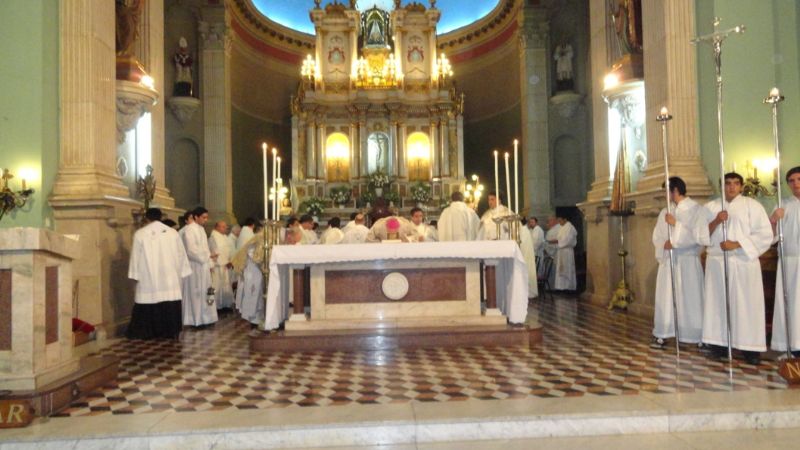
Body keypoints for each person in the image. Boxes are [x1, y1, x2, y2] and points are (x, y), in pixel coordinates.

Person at [702, 172, 772, 365]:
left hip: (743, 262)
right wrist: (716, 221)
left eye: (735, 184)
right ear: (721, 187)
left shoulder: (752, 206)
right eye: (727, 184)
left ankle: (750, 348)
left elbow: (765, 233)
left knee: (747, 304)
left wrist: (737, 243)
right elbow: (699, 234)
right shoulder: (710, 207)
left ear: (741, 186)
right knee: (718, 303)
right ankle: (719, 344)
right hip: (717, 263)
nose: (731, 187)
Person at [650, 177, 708, 348]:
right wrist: (663, 244)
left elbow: (699, 236)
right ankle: (664, 333)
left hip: (687, 261)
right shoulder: (665, 212)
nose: (665, 196)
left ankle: (696, 335)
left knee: (690, 298)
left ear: (675, 191)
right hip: (669, 261)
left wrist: (676, 226)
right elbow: (658, 236)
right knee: (667, 297)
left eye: (666, 192)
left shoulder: (697, 210)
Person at [127, 208, 191, 340]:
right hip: (169, 276)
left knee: (148, 299)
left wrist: (134, 273)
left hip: (148, 276)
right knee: (169, 301)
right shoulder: (172, 233)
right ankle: (170, 331)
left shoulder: (140, 233)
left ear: (147, 218)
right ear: (161, 217)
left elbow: (135, 256)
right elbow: (181, 254)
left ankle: (147, 332)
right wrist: (183, 271)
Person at [770, 166, 800, 357]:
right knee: (791, 306)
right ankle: (792, 346)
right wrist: (773, 220)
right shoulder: (782, 205)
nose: (796, 184)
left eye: (799, 179)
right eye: (791, 181)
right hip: (789, 263)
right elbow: (769, 235)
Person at [181, 207, 218, 328]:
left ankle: (206, 318)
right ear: (196, 217)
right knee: (196, 292)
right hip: (195, 267)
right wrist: (208, 256)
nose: (206, 220)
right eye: (204, 217)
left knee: (206, 292)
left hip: (204, 266)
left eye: (207, 217)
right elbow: (191, 250)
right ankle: (196, 320)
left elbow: (205, 248)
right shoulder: (189, 230)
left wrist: (210, 262)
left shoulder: (201, 229)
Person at [208, 220, 234, 312]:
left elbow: (228, 250)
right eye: (223, 226)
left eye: (225, 227)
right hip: (217, 266)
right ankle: (215, 307)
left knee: (225, 286)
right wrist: (224, 262)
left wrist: (230, 260)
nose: (225, 228)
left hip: (225, 265)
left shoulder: (224, 237)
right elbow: (215, 252)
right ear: (217, 227)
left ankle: (225, 305)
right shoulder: (213, 237)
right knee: (216, 286)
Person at [550, 215, 577, 291]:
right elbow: (559, 238)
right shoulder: (562, 228)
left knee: (567, 269)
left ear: (565, 219)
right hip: (561, 251)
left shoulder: (570, 227)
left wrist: (558, 242)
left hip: (567, 252)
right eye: (558, 221)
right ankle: (561, 287)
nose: (559, 222)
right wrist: (557, 241)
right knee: (561, 269)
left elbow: (568, 240)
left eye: (560, 220)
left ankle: (568, 287)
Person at [519, 217, 539, 298]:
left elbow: (522, 244)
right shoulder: (525, 230)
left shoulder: (523, 230)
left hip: (525, 256)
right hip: (527, 256)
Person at [544, 216, 561, 288]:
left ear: (554, 221)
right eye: (547, 221)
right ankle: (551, 287)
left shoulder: (559, 228)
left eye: (549, 221)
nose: (547, 223)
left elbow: (558, 240)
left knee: (555, 271)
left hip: (556, 253)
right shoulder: (552, 229)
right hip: (552, 252)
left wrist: (547, 243)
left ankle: (554, 287)